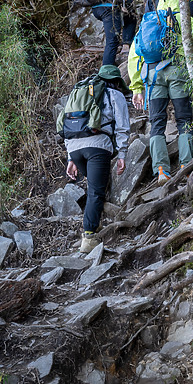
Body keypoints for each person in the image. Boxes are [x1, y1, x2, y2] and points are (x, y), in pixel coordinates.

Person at [128, 0, 193, 184]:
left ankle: (161, 170)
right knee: (184, 121)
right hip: (179, 72)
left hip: (153, 76)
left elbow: (134, 54)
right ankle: (187, 166)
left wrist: (136, 86)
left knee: (157, 123)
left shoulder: (150, 19)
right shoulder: (186, 18)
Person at [63, 64, 130, 254]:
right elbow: (122, 128)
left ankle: (95, 222)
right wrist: (122, 154)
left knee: (96, 187)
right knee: (95, 191)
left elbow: (68, 125)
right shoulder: (115, 95)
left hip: (75, 148)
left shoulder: (80, 92)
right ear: (116, 82)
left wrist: (70, 158)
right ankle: (89, 236)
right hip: (97, 148)